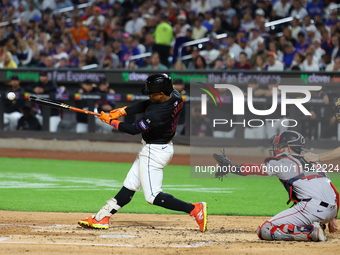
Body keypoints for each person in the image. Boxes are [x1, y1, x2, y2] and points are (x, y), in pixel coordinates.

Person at [78, 73, 207, 232]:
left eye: (153, 93)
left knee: (152, 196)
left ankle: (194, 209)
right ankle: (102, 217)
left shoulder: (158, 114)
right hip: (156, 148)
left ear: (161, 94)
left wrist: (111, 121)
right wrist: (123, 111)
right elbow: (146, 103)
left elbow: (133, 129)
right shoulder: (174, 95)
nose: (150, 96)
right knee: (129, 186)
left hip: (154, 151)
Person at [214, 130, 339, 241]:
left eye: (281, 146)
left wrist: (229, 167)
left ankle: (309, 232)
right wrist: (333, 218)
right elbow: (334, 192)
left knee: (266, 230)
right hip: (331, 210)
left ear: (289, 148)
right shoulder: (316, 164)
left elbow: (253, 169)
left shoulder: (282, 161)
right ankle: (318, 225)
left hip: (312, 209)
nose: (278, 148)